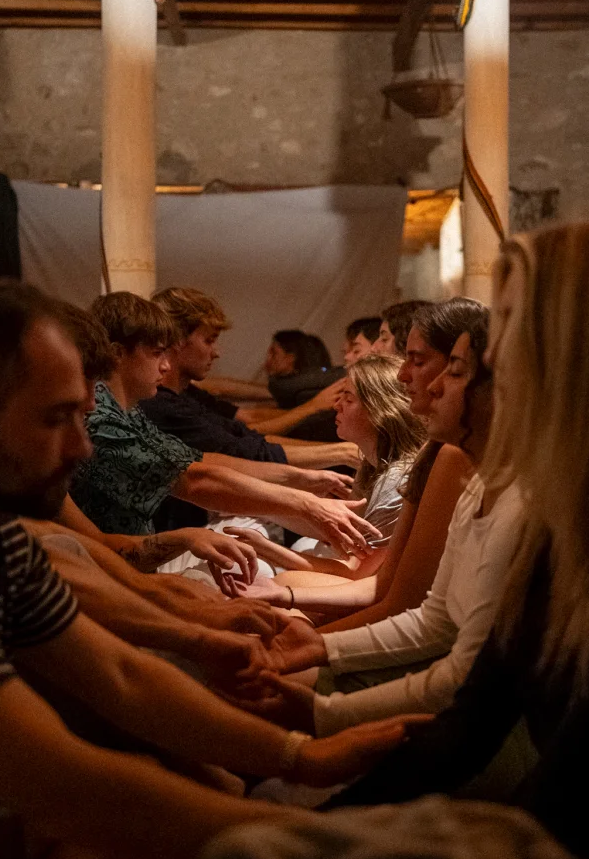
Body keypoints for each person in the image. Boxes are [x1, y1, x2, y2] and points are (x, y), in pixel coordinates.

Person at [0, 275, 425, 859]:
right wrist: (335, 855)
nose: (82, 448)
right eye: (55, 419)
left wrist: (302, 756)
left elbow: (122, 676)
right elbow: (65, 784)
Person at [322, 218, 589, 859]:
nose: (495, 355)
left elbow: (569, 798)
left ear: (574, 351)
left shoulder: (545, 518)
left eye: (511, 324)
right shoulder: (554, 520)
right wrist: (312, 824)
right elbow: (477, 713)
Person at [244, 308, 525, 748]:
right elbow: (430, 618)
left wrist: (322, 707)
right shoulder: (466, 479)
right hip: (436, 682)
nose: (410, 378)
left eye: (448, 369)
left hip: (471, 723)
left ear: (505, 387)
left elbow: (456, 670)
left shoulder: (484, 482)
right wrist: (317, 645)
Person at [230, 299, 485, 626]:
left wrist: (297, 624)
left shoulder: (429, 464)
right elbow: (386, 589)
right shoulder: (425, 458)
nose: (403, 373)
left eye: (417, 360)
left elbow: (384, 593)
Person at [71, 292, 379, 560]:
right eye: (156, 354)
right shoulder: (104, 416)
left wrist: (304, 482)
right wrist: (306, 499)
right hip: (120, 568)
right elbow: (196, 479)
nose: (165, 365)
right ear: (116, 354)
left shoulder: (131, 410)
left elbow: (204, 460)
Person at [225, 355, 425, 583]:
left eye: (348, 399)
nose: (336, 405)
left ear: (378, 410)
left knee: (278, 579)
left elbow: (355, 572)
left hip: (372, 585)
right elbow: (343, 532)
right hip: (357, 577)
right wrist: (252, 505)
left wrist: (265, 547)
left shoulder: (396, 480)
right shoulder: (371, 464)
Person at [141, 286, 357, 472]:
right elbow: (241, 450)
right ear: (178, 341)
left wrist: (341, 450)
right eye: (209, 341)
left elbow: (245, 435)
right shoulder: (160, 404)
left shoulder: (186, 394)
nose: (216, 352)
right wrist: (339, 450)